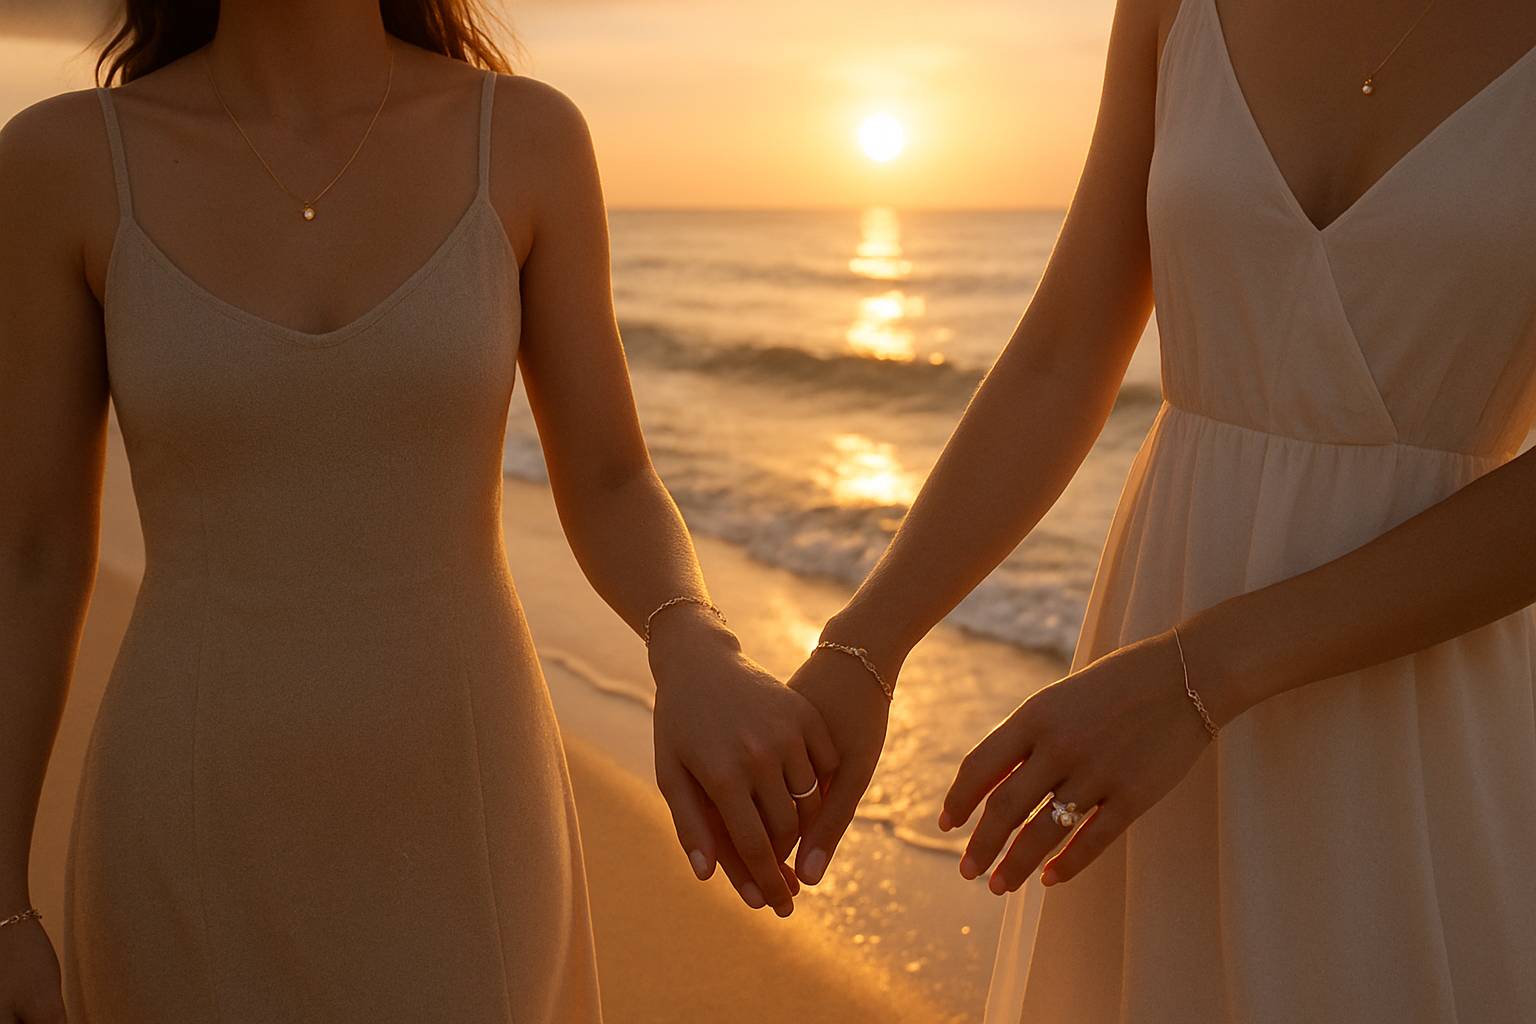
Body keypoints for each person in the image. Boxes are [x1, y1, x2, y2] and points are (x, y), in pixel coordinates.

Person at [0, 1, 834, 1020]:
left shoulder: (525, 138)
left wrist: (692, 641)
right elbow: (30, 556)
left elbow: (613, 474)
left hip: (471, 814)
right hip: (183, 818)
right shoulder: (63, 160)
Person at [782, 0, 1536, 1020]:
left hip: (1415, 695)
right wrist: (864, 647)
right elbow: (1062, 356)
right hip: (1138, 697)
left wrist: (1198, 674)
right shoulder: (1173, 11)